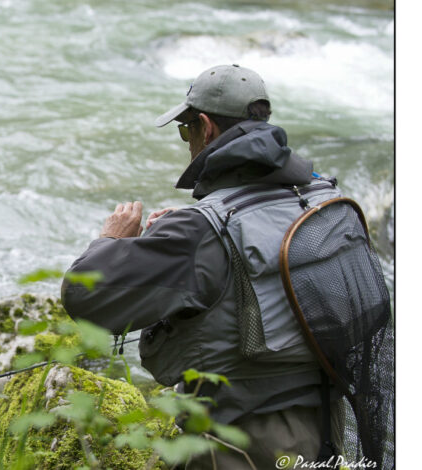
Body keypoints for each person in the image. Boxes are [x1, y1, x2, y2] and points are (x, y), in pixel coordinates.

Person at [61, 64, 345, 469]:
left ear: (206, 128)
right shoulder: (319, 195)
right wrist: (189, 229)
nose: (188, 140)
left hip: (244, 440)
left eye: (185, 129)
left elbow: (85, 296)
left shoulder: (201, 231)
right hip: (327, 425)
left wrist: (112, 240)